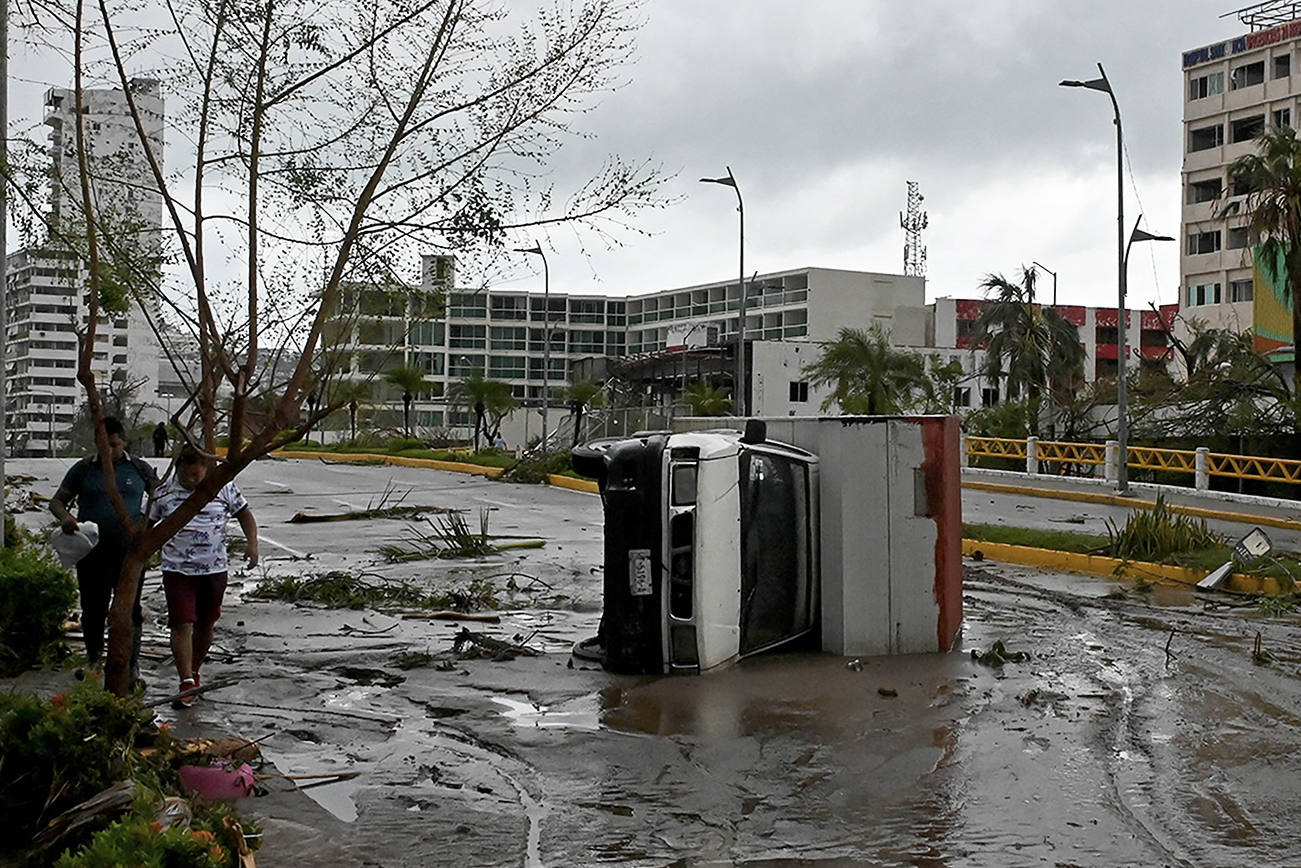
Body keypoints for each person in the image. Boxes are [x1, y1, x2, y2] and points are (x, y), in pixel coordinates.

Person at [49, 416, 159, 680]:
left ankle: (130, 666)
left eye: (114, 444)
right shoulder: (83, 469)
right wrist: (66, 519)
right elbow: (57, 502)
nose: (109, 450)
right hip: (91, 552)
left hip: (129, 553)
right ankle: (94, 660)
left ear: (124, 442)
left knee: (130, 610)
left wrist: (147, 527)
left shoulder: (140, 469)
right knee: (93, 608)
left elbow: (161, 499)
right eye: (103, 445)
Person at [149, 444, 258, 707]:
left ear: (205, 469)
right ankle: (186, 680)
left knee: (205, 625)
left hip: (214, 568)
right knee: (181, 624)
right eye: (187, 476)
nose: (192, 481)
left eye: (197, 475)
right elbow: (147, 525)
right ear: (178, 470)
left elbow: (245, 515)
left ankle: (194, 670)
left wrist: (252, 544)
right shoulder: (163, 493)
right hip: (177, 570)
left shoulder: (222, 487)